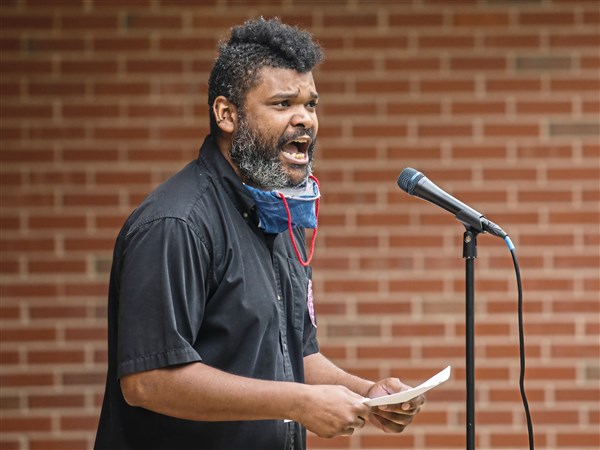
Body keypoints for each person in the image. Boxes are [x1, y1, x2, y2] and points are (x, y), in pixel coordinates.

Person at [94, 17, 424, 450]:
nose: (305, 119)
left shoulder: (278, 216)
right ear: (226, 114)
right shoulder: (176, 223)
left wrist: (367, 394)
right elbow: (148, 380)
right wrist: (299, 403)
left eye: (311, 104)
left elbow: (294, 355)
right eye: (283, 103)